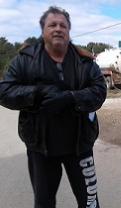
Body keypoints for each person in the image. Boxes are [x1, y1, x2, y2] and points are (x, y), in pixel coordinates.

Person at [0, 6, 106, 208]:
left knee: (90, 202)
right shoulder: (25, 60)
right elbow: (4, 91)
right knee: (44, 203)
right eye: (52, 25)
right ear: (43, 30)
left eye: (63, 25)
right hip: (41, 148)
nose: (58, 29)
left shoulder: (85, 63)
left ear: (68, 30)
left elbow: (100, 92)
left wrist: (71, 98)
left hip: (80, 147)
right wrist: (36, 94)